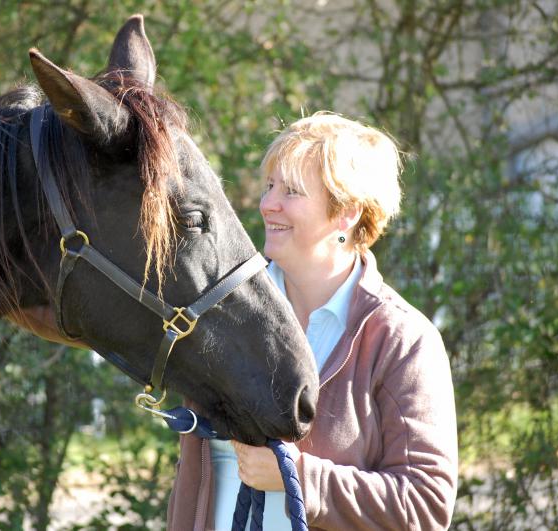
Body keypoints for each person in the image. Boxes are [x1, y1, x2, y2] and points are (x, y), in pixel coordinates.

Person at [166, 112, 458, 530]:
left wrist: (299, 478)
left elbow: (424, 505)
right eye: (270, 186)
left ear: (347, 214)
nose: (268, 203)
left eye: (292, 191)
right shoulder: (222, 314)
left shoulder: (402, 340)